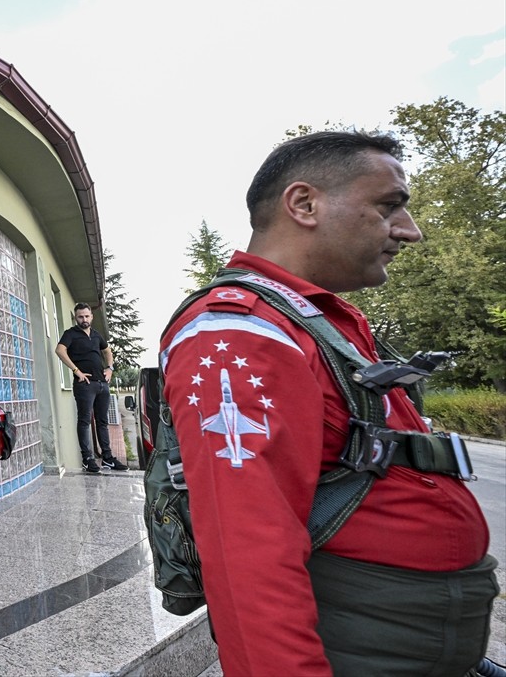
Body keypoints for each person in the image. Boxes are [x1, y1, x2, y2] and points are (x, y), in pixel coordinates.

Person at [159, 131, 496, 675]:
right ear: (304, 204)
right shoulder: (240, 331)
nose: (409, 230)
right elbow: (247, 551)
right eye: (388, 206)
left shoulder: (313, 318)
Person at [55, 303, 128, 473]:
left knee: (102, 422)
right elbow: (59, 350)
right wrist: (76, 371)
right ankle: (87, 459)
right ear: (76, 317)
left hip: (102, 383)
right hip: (85, 385)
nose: (84, 319)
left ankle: (108, 458)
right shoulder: (70, 334)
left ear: (91, 317)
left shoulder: (96, 335)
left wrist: (110, 369)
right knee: (84, 421)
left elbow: (107, 351)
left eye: (87, 316)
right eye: (80, 316)